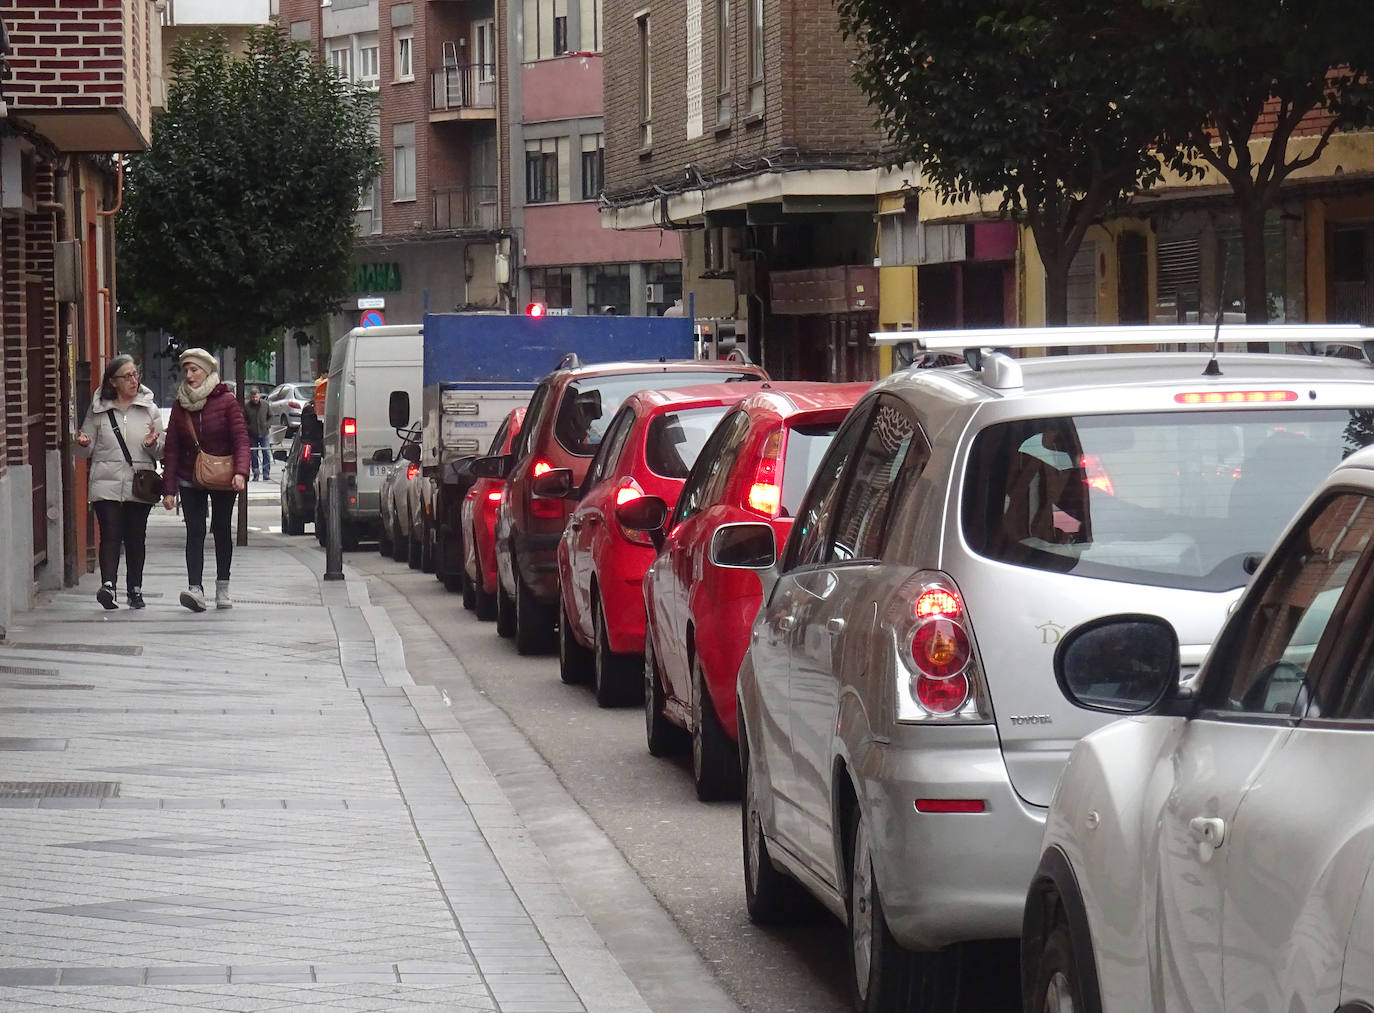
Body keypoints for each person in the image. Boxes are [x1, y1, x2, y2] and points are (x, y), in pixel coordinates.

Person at [161, 348, 250, 612]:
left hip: (223, 474)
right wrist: (169, 489)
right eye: (186, 370)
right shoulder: (180, 404)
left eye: (194, 370)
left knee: (221, 529)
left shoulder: (226, 402)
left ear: (207, 371)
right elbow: (172, 449)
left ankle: (222, 586)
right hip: (190, 476)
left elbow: (241, 439)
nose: (189, 375)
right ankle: (195, 588)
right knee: (195, 530)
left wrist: (240, 472)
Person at [74, 355, 164, 610]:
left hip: (140, 482)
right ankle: (109, 586)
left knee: (136, 537)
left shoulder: (149, 409)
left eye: (136, 374)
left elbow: (162, 450)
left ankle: (135, 590)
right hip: (106, 481)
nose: (134, 380)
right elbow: (86, 448)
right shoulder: (99, 409)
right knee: (110, 534)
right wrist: (81, 443)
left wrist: (153, 444)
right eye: (127, 376)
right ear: (113, 382)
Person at [243, 388, 272, 481]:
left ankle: (266, 473)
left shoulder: (265, 405)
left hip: (264, 433)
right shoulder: (247, 407)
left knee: (266, 453)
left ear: (259, 396)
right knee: (253, 454)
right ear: (250, 397)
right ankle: (256, 473)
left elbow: (271, 416)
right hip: (252, 434)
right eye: (252, 397)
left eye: (256, 397)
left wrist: (267, 425)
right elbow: (244, 419)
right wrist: (248, 427)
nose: (255, 399)